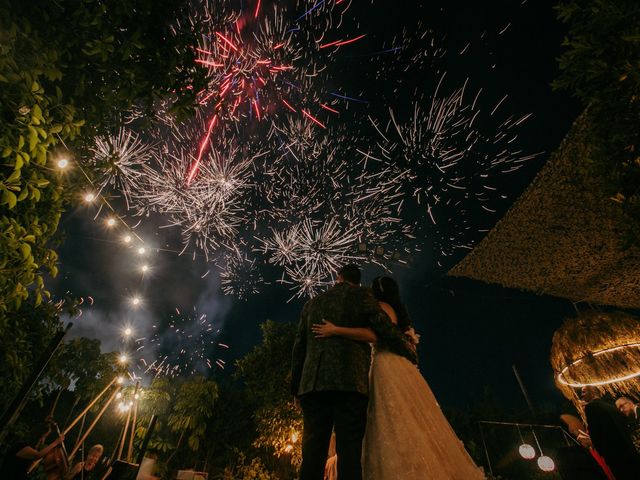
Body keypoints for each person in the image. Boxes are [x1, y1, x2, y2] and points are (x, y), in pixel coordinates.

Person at [313, 275, 485, 479]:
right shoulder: (400, 314)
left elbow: (373, 335)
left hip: (386, 365)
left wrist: (336, 330)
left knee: (388, 419)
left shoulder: (380, 307)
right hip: (404, 369)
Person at [291, 264, 408, 480]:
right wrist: (407, 347)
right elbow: (383, 330)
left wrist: (296, 389)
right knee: (350, 453)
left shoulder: (312, 303)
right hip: (351, 383)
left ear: (338, 277)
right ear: (358, 281)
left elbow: (299, 349)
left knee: (312, 454)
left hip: (314, 385)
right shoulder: (363, 297)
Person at [582, 385, 640, 480]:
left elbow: (596, 433)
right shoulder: (612, 408)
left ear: (592, 392)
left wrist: (594, 445)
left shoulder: (591, 407)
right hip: (630, 452)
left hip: (615, 456)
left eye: (584, 392)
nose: (582, 395)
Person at [0, 431, 65, 480]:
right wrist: (55, 443)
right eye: (44, 437)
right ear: (38, 436)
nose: (43, 440)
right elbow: (37, 455)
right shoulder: (22, 446)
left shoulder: (27, 447)